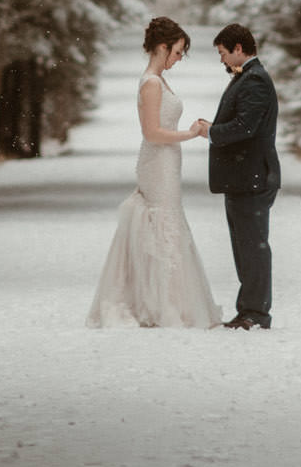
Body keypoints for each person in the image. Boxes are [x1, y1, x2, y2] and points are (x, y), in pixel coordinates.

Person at [86, 17, 222, 328]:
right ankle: (159, 303)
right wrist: (190, 134)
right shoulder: (150, 82)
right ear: (162, 47)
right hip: (157, 161)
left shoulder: (159, 80)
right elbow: (152, 133)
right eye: (177, 52)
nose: (178, 59)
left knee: (169, 222)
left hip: (168, 161)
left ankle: (167, 299)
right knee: (161, 222)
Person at [196, 23, 280, 329]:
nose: (221, 60)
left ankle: (256, 313)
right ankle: (249, 310)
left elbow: (247, 127)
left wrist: (211, 132)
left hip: (253, 176)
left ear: (238, 49)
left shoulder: (255, 80)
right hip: (244, 177)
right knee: (245, 246)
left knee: (253, 246)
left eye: (222, 53)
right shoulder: (247, 77)